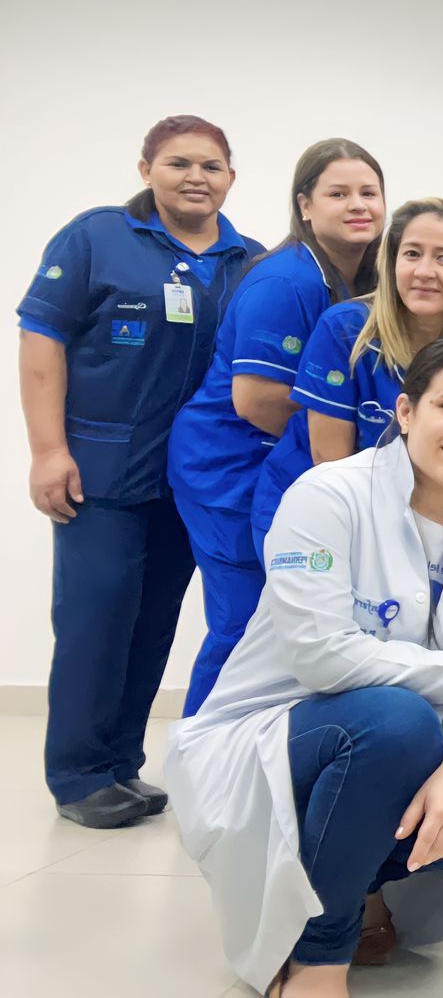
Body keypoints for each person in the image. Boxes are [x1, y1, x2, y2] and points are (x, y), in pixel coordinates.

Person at [165, 336, 443, 997]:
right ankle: (319, 955)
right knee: (394, 720)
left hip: (406, 742)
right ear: (405, 411)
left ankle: (351, 881)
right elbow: (321, 656)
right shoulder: (328, 496)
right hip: (281, 731)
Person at [18, 115, 262, 829]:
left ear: (231, 177)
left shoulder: (247, 261)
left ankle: (120, 764)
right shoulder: (96, 237)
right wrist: (47, 451)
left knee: (153, 624)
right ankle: (78, 775)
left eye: (211, 166)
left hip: (191, 482)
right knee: (95, 623)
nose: (195, 177)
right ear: (146, 169)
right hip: (100, 474)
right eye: (178, 163)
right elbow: (41, 342)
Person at [169, 138, 386, 714]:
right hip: (228, 467)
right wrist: (346, 423)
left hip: (275, 466)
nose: (358, 205)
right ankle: (202, 750)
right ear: (305, 205)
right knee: (244, 626)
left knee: (280, 626)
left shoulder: (358, 278)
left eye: (369, 193)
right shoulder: (288, 281)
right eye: (338, 193)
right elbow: (255, 401)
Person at [250, 199, 443, 553]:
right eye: (412, 254)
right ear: (392, 262)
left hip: (419, 520)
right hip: (323, 512)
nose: (424, 271)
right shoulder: (346, 330)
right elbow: (330, 460)